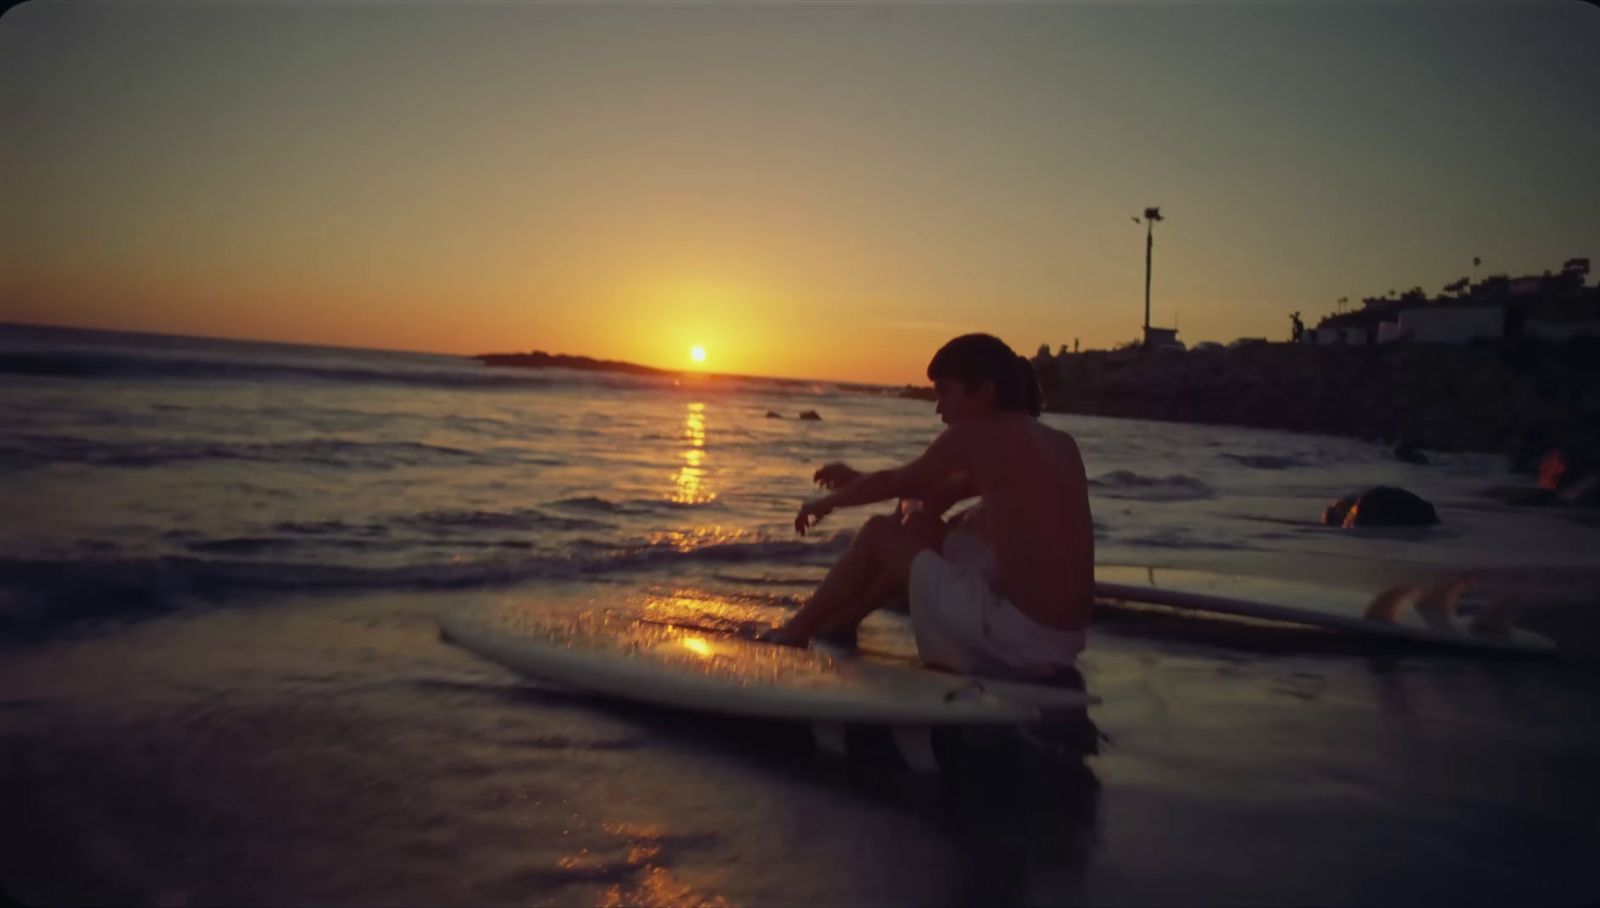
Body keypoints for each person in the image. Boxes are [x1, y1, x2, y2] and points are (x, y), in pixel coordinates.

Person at [763, 333, 1094, 680]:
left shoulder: (976, 434)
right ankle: (841, 622)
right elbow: (932, 488)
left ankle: (794, 630)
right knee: (923, 524)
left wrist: (824, 503)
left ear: (984, 391)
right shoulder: (1060, 444)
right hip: (1064, 642)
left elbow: (901, 482)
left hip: (1017, 640)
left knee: (879, 532)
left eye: (945, 392)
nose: (938, 408)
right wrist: (858, 480)